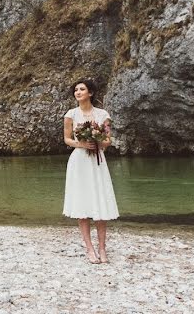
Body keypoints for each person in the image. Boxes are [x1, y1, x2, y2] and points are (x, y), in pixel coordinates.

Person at [62, 78, 119, 264]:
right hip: (79, 161)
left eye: (82, 89)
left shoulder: (103, 115)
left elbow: (108, 140)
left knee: (100, 203)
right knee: (82, 204)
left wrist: (97, 142)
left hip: (97, 161)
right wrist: (82, 144)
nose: (78, 92)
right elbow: (67, 139)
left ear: (91, 93)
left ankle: (103, 248)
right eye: (76, 90)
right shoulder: (70, 114)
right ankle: (90, 249)